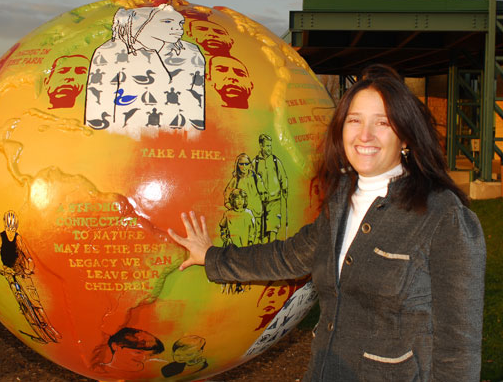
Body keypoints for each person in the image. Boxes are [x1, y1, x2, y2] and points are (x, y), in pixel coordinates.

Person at [167, 72, 486, 381]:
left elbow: (458, 347)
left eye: (383, 122)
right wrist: (211, 257)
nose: (365, 135)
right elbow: (288, 256)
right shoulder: (340, 202)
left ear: (405, 137)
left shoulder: (443, 216)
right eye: (355, 120)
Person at [84, 3, 205, 135]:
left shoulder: (190, 52)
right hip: (128, 139)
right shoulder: (111, 52)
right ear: (143, 23)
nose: (178, 28)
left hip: (181, 139)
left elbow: (197, 101)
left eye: (180, 23)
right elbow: (98, 103)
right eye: (167, 22)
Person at [0, 211, 60, 343]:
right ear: (5, 226)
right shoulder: (0, 237)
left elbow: (27, 255)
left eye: (13, 228)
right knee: (15, 290)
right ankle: (26, 312)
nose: (10, 231)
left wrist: (29, 268)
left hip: (21, 269)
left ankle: (50, 328)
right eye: (8, 228)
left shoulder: (18, 238)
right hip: (8, 269)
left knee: (35, 301)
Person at [223, 153, 267, 241]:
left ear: (250, 164)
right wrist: (232, 208)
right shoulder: (236, 179)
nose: (244, 166)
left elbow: (264, 194)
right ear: (237, 165)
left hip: (256, 213)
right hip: (242, 216)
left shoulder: (256, 178)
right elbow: (227, 195)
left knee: (257, 239)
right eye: (241, 164)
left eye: (246, 163)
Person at [253, 134, 288, 243]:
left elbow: (283, 177)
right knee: (262, 230)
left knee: (273, 228)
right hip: (261, 201)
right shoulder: (255, 163)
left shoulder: (275, 161)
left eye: (270, 146)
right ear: (261, 146)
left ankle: (272, 250)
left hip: (275, 200)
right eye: (267, 146)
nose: (269, 148)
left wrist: (285, 188)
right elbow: (252, 181)